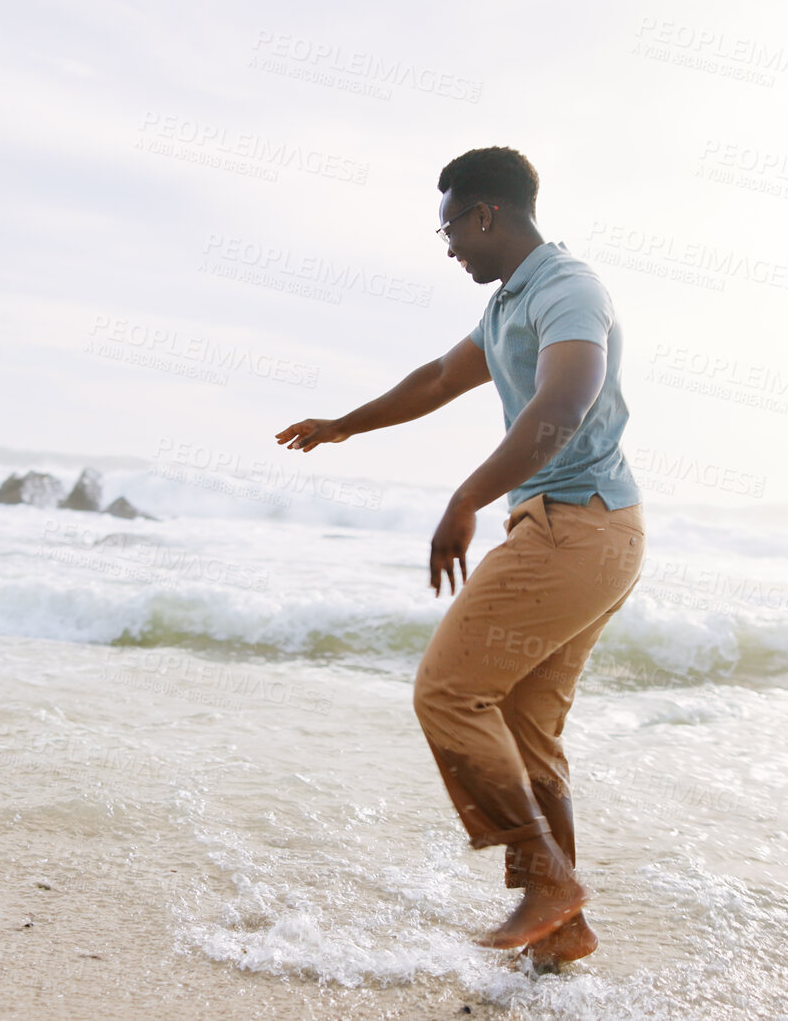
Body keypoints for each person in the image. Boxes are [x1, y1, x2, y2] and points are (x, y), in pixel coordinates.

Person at [275, 147, 644, 966]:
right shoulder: (508, 303)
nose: (448, 247)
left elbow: (566, 400)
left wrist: (465, 497)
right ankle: (563, 931)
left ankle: (547, 882)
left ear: (485, 214)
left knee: (448, 692)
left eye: (449, 228)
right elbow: (439, 377)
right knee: (525, 727)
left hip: (577, 526)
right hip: (570, 530)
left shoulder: (568, 289)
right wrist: (344, 422)